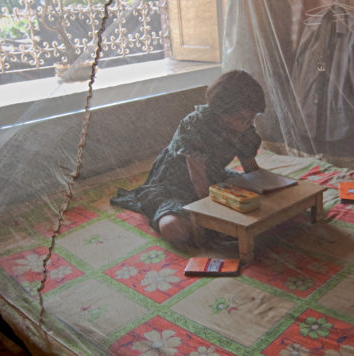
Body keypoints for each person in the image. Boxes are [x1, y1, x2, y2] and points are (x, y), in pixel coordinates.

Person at [110, 70, 265, 250]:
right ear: (221, 111)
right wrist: (217, 218)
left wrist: (268, 190)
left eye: (251, 119)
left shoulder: (244, 129)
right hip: (174, 185)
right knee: (174, 229)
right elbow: (199, 181)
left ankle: (213, 226)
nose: (246, 124)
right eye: (241, 118)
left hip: (214, 177)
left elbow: (252, 170)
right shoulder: (195, 125)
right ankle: (203, 226)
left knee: (254, 198)